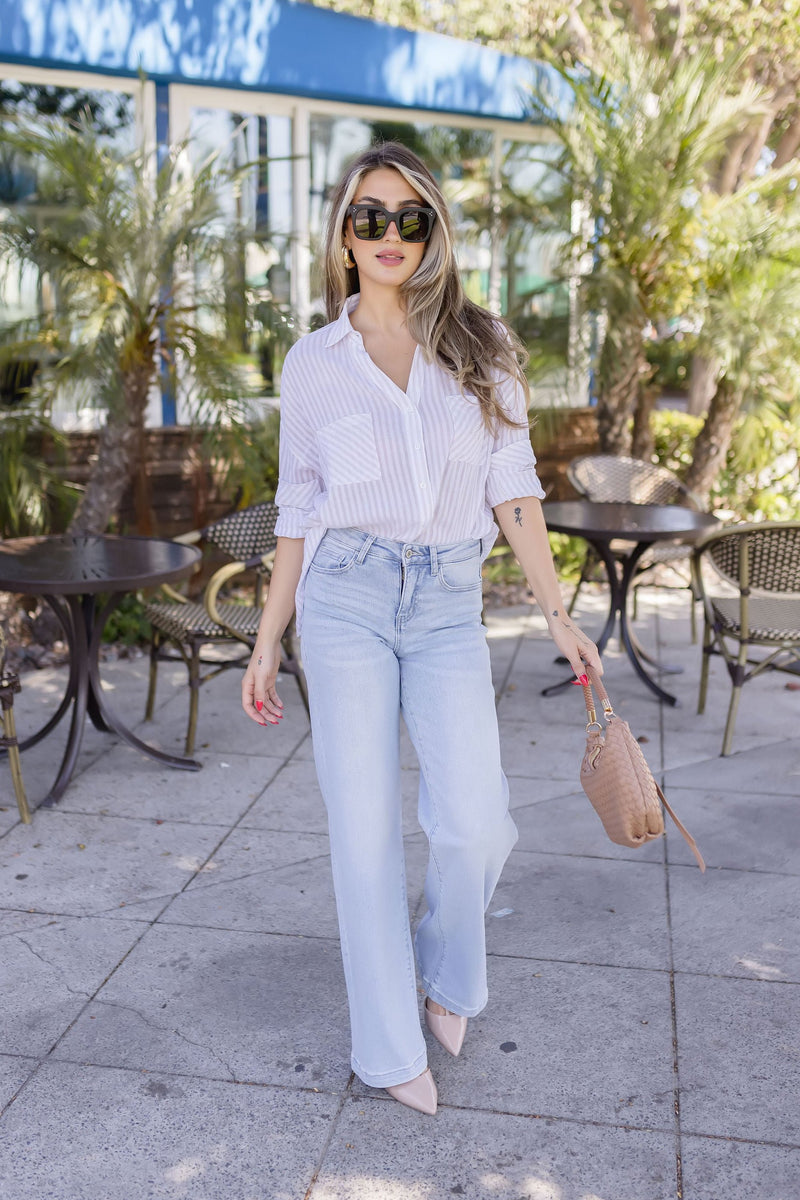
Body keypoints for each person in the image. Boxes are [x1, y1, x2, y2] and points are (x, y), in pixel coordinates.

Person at [242, 141, 601, 1116]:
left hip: (446, 598)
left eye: (410, 217)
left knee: (475, 818)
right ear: (342, 232)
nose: (389, 234)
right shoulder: (312, 363)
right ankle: (387, 1046)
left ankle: (448, 973)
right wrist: (271, 634)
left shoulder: (479, 350)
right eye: (370, 216)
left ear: (432, 231)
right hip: (345, 597)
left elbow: (512, 489)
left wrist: (558, 616)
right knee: (362, 837)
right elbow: (296, 508)